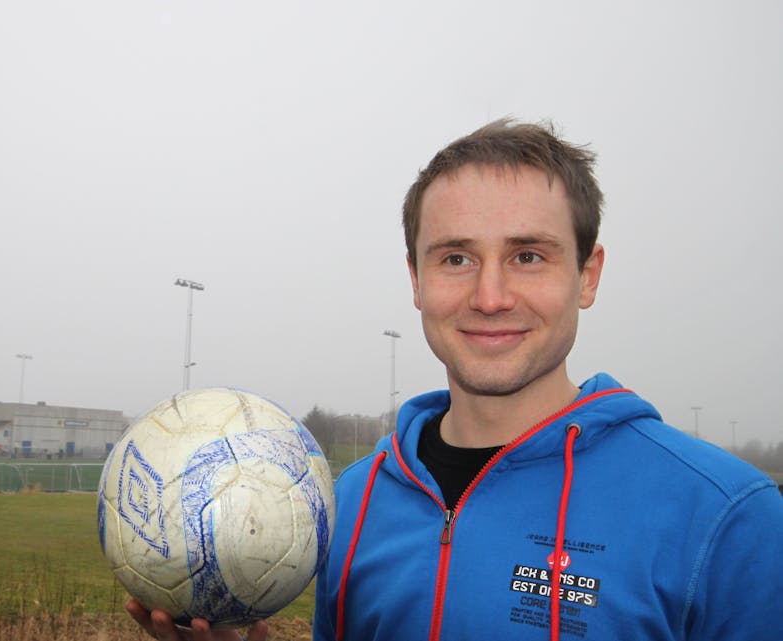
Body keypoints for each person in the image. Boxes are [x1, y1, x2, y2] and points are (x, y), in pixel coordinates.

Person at [311, 119, 783, 641]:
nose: (490, 297)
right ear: (416, 280)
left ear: (588, 274)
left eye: (528, 256)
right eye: (457, 258)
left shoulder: (726, 516)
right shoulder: (350, 502)